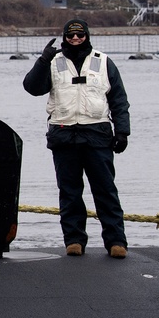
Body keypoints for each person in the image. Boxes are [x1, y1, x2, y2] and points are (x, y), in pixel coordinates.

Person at [23, 18, 131, 258]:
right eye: (70, 36)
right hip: (64, 135)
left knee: (105, 191)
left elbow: (119, 101)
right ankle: (74, 240)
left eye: (79, 35)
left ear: (87, 36)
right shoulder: (52, 62)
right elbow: (32, 88)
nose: (75, 39)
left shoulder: (103, 62)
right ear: (64, 37)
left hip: (97, 135)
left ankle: (116, 241)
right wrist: (43, 60)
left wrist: (122, 132)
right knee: (70, 192)